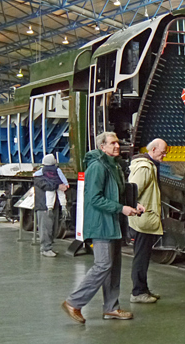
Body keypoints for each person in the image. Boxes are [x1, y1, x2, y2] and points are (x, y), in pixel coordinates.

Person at [61, 132, 144, 324]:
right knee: (103, 265)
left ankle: (111, 308)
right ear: (102, 147)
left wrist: (133, 205)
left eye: (117, 142)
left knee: (113, 266)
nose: (117, 146)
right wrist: (121, 209)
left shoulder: (113, 166)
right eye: (112, 143)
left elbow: (117, 194)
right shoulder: (97, 167)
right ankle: (74, 302)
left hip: (113, 224)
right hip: (101, 225)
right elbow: (95, 198)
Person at [128, 138, 167, 304]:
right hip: (142, 219)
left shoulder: (149, 166)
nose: (164, 156)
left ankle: (142, 289)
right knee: (141, 257)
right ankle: (138, 292)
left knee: (142, 256)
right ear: (153, 150)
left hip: (143, 218)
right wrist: (136, 206)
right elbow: (133, 190)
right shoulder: (145, 168)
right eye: (162, 152)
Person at [33, 154, 68, 257]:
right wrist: (58, 186)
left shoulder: (52, 174)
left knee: (53, 227)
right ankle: (45, 248)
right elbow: (45, 185)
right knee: (46, 228)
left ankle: (49, 247)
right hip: (44, 206)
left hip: (53, 205)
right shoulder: (39, 176)